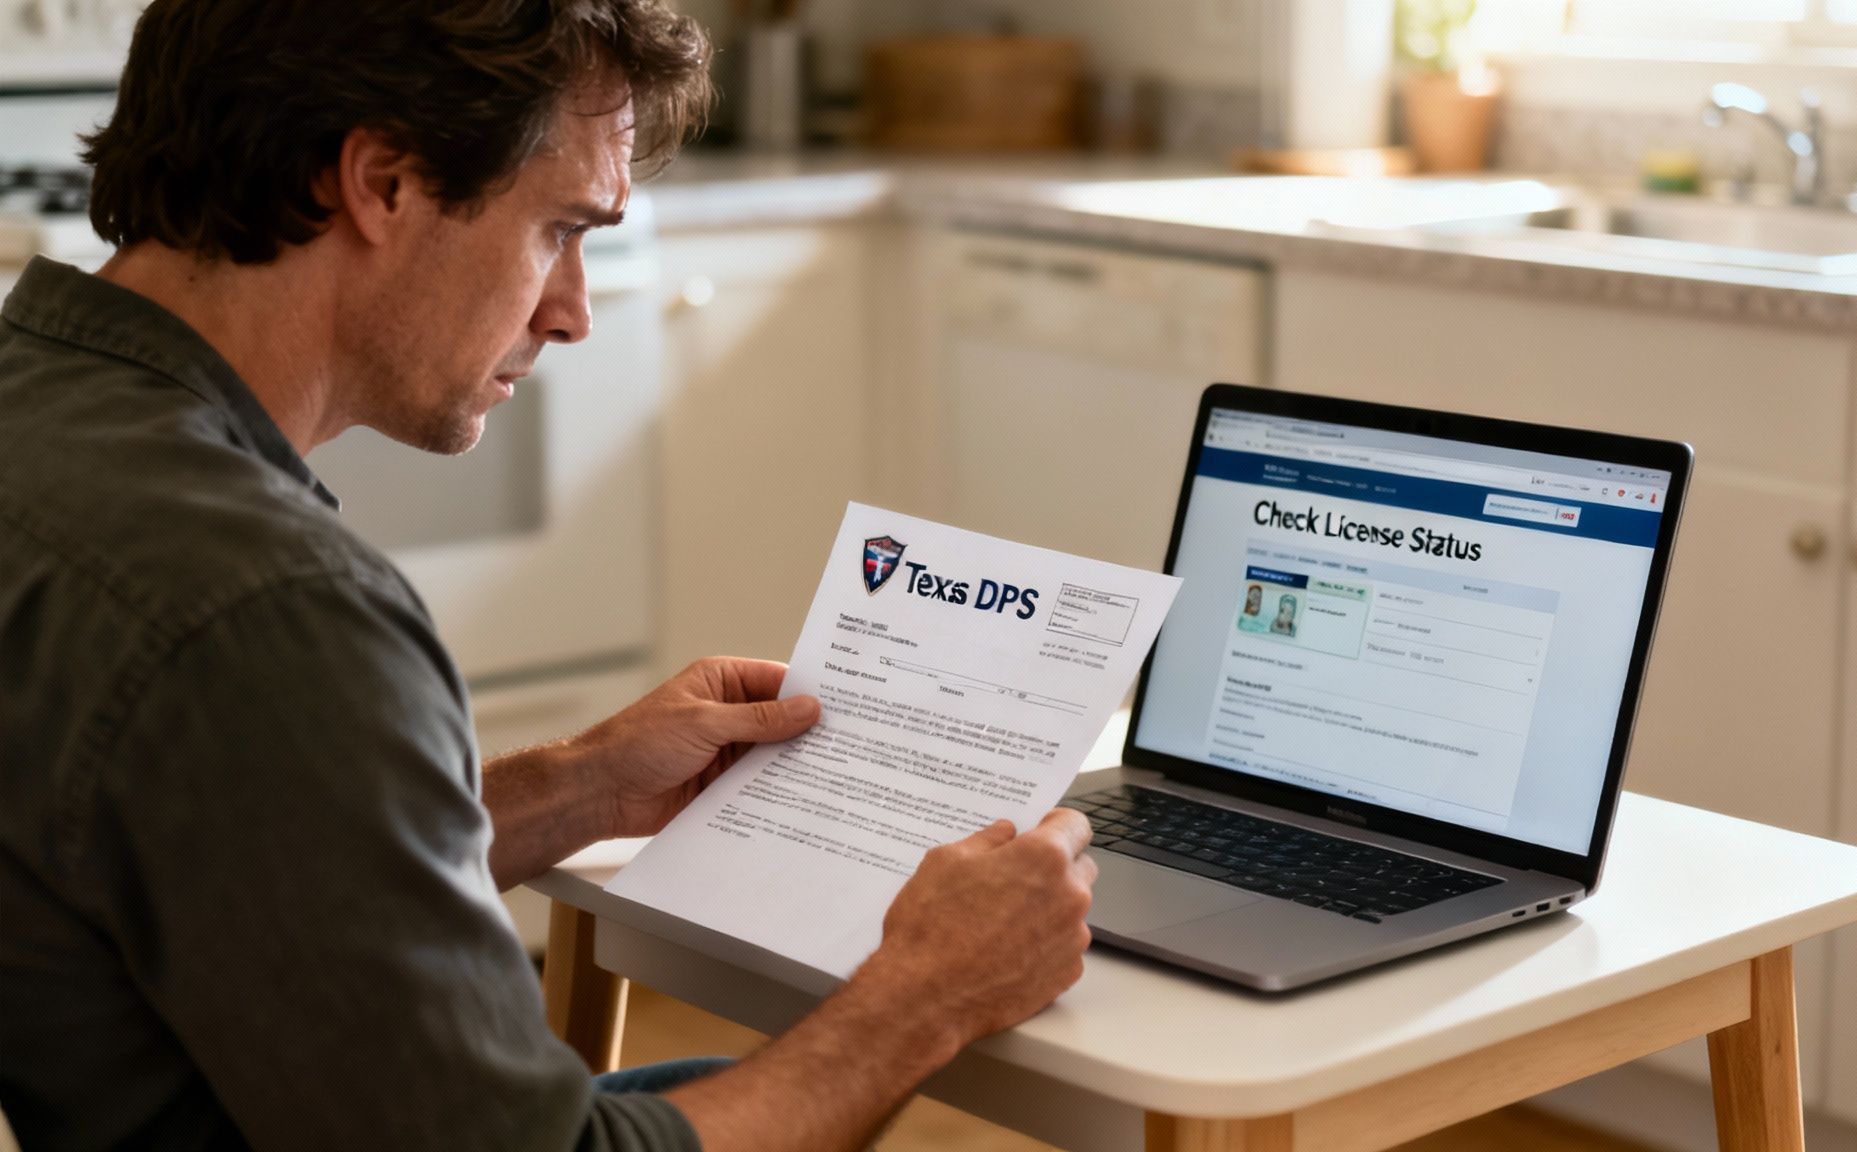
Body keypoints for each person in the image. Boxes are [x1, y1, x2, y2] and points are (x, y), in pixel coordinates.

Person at [0, 3, 1097, 1150]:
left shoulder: (41, 411)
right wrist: (926, 993)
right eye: (558, 229)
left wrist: (581, 785)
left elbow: (242, 864)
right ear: (380, 182)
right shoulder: (270, 613)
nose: (570, 310)